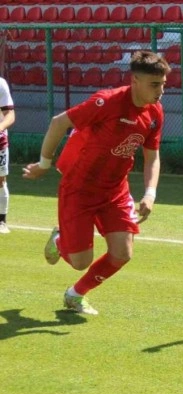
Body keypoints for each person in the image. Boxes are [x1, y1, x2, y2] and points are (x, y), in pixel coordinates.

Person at [22, 50, 171, 315]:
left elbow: (152, 156)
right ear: (135, 80)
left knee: (122, 253)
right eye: (154, 84)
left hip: (115, 190)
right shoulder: (107, 102)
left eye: (163, 84)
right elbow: (59, 123)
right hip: (79, 187)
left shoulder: (155, 113)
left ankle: (75, 295)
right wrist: (44, 164)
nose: (161, 91)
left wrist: (150, 193)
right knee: (80, 262)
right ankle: (61, 240)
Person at [0, 75, 16, 234]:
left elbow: (10, 114)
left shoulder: (0, 84)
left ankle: (1, 221)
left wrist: (0, 127)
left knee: (0, 180)